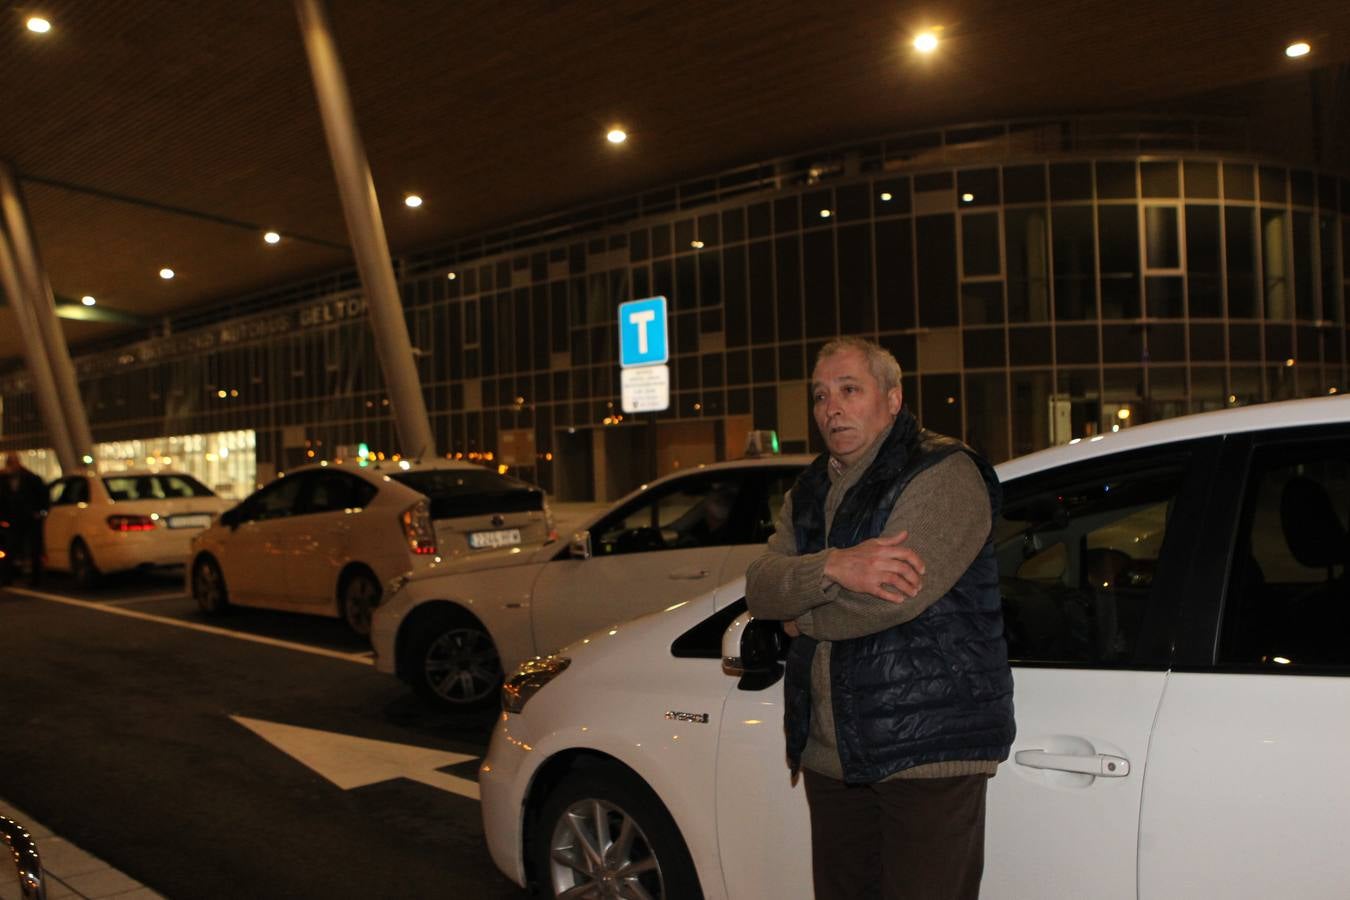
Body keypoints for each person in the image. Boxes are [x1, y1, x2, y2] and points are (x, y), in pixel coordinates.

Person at [745, 337, 1015, 900]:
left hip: (925, 747)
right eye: (820, 395)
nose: (831, 408)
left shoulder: (942, 472)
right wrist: (836, 565)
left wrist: (801, 621)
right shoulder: (811, 487)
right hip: (833, 748)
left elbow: (892, 597)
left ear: (892, 399)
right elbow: (761, 586)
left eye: (849, 390)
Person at [0, 452, 49, 586]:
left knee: (34, 549)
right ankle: (7, 578)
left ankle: (36, 579)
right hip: (13, 519)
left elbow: (43, 495)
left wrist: (39, 512)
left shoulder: (31, 478)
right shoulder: (4, 480)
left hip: (30, 518)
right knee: (10, 548)